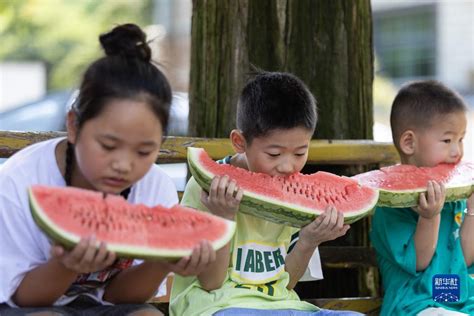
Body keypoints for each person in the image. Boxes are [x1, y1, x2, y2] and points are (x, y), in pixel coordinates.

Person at [0, 23, 215, 316]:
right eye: (108, 146)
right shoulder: (17, 182)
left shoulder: (155, 186)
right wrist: (66, 265)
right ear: (74, 126)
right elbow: (23, 298)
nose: (124, 164)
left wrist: (164, 260)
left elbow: (120, 298)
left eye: (143, 151)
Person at [170, 71, 363, 316]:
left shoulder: (296, 194)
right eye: (274, 154)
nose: (287, 166)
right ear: (240, 142)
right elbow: (211, 283)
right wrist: (223, 218)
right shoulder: (207, 186)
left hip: (284, 306)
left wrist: (308, 241)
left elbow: (286, 283)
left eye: (300, 153)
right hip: (218, 306)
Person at [370, 80, 474, 315]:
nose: (457, 151)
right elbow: (419, 262)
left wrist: (473, 210)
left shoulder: (455, 193)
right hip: (415, 304)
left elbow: (465, 260)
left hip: (459, 300)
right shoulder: (391, 206)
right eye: (447, 140)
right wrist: (430, 217)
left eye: (461, 139)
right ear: (409, 143)